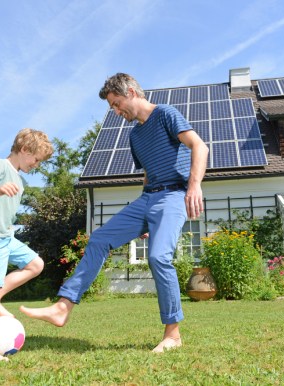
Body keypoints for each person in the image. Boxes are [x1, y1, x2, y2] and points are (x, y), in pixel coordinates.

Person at [20, 73, 208, 353]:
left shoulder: (166, 114)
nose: (116, 111)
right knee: (99, 239)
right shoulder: (135, 135)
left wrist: (194, 187)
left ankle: (173, 334)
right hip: (148, 198)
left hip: (174, 195)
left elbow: (199, 146)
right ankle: (63, 306)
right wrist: (143, 217)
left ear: (132, 92)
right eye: (112, 107)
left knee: (158, 257)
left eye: (117, 104)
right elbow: (147, 174)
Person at [0, 128, 54, 361]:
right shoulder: (1, 165)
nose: (37, 164)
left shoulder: (19, 179)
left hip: (5, 237)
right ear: (24, 149)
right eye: (36, 159)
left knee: (35, 264)